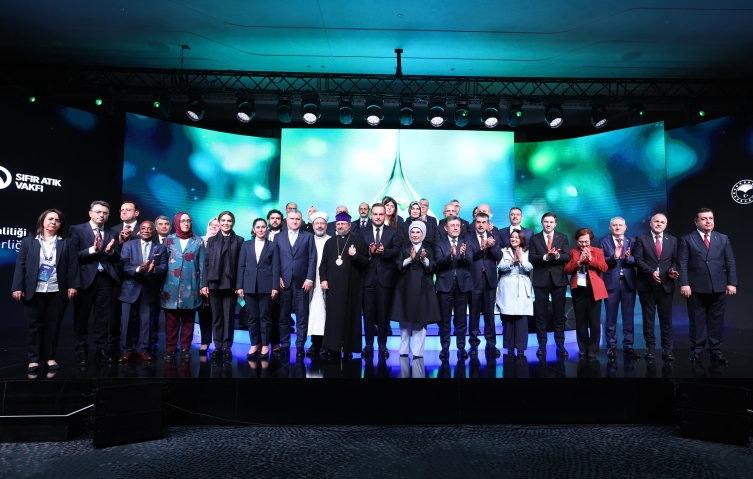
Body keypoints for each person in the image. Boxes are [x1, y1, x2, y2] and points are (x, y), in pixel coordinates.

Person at [12, 209, 81, 372]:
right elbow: (20, 265)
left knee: (53, 326)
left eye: (58, 220)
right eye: (50, 219)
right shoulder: (28, 241)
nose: (54, 222)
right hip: (33, 290)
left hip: (57, 290)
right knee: (34, 326)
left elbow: (73, 265)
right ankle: (34, 359)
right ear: (42, 221)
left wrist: (73, 285)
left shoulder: (67, 242)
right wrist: (17, 287)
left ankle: (50, 357)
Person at [678, 208, 737, 364]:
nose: (708, 221)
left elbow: (730, 262)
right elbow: (682, 263)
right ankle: (696, 350)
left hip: (719, 286)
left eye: (710, 218)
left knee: (716, 320)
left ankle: (715, 351)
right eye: (704, 219)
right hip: (696, 286)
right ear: (696, 222)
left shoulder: (722, 238)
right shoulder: (687, 239)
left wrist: (732, 283)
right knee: (696, 320)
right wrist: (684, 284)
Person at [69, 200, 120, 365]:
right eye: (98, 212)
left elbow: (117, 257)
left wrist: (110, 251)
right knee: (81, 317)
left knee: (103, 318)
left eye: (105, 213)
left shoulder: (112, 233)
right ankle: (81, 350)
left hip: (105, 279)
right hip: (85, 279)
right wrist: (93, 250)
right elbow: (73, 255)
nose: (101, 215)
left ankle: (101, 349)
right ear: (90, 213)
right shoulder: (77, 229)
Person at [320, 211, 369, 358]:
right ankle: (332, 347)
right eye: (338, 224)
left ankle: (348, 349)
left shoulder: (358, 241)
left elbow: (366, 262)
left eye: (343, 224)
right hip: (333, 287)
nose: (340, 226)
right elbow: (323, 264)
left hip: (352, 288)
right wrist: (323, 279)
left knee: (350, 317)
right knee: (333, 317)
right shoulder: (329, 242)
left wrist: (355, 255)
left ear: (349, 225)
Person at [117, 220, 167, 362]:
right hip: (130, 289)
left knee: (146, 322)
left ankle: (143, 350)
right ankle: (126, 351)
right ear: (139, 230)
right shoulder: (128, 245)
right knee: (127, 322)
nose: (146, 231)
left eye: (149, 229)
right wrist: (138, 269)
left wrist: (154, 269)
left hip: (149, 290)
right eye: (143, 228)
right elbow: (124, 265)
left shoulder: (160, 248)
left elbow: (164, 267)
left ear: (154, 231)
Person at [633, 213, 680, 360]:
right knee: (648, 319)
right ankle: (651, 348)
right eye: (656, 221)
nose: (659, 224)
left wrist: (672, 270)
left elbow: (675, 260)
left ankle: (667, 349)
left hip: (666, 284)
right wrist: (651, 271)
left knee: (666, 319)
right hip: (646, 285)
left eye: (662, 222)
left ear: (665, 225)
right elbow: (638, 260)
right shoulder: (641, 239)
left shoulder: (672, 240)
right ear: (651, 223)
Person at [390, 222, 440, 358]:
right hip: (404, 287)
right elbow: (397, 266)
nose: (415, 235)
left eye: (418, 232)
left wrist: (424, 260)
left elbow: (435, 267)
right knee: (404, 319)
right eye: (413, 232)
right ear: (409, 234)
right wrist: (409, 259)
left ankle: (418, 352)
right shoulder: (403, 248)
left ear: (423, 234)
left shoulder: (429, 249)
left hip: (424, 288)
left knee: (421, 319)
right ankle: (404, 350)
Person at [160, 212, 205, 360]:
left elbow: (202, 265)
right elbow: (163, 263)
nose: (186, 223)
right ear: (177, 223)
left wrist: (202, 285)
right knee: (171, 321)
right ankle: (170, 348)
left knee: (188, 320)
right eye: (183, 221)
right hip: (170, 286)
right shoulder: (169, 240)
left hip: (191, 286)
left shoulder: (198, 241)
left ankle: (186, 348)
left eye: (188, 221)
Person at [201, 212, 244, 361]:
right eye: (223, 220)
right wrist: (204, 284)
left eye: (229, 220)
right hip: (214, 283)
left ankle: (227, 347)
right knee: (217, 317)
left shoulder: (239, 240)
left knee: (229, 317)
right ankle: (218, 346)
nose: (226, 223)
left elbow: (241, 265)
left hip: (231, 284)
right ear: (219, 222)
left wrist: (239, 285)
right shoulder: (211, 240)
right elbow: (206, 263)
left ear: (233, 222)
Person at [528, 212, 571, 358]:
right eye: (546, 221)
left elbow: (567, 256)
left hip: (559, 280)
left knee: (559, 314)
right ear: (542, 223)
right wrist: (546, 256)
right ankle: (542, 345)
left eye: (551, 222)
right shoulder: (535, 238)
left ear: (555, 224)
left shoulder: (562, 237)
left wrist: (557, 256)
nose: (548, 224)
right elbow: (532, 258)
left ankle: (560, 345)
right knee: (541, 315)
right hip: (541, 280)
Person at [237, 218, 280, 359]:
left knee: (265, 317)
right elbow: (241, 266)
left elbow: (276, 268)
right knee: (252, 317)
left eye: (263, 227)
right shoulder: (246, 244)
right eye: (258, 227)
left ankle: (265, 345)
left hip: (267, 285)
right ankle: (254, 345)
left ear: (266, 229)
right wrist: (239, 286)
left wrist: (275, 287)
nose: (260, 229)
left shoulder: (273, 246)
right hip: (249, 285)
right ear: (253, 229)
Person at [360, 203, 399, 358]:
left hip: (386, 279)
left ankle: (382, 344)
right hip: (367, 279)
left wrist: (385, 252)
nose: (377, 217)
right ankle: (368, 344)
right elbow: (359, 254)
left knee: (384, 314)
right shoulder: (363, 232)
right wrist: (369, 253)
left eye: (380, 214)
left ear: (385, 215)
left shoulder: (393, 232)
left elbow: (397, 251)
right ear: (371, 215)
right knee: (368, 314)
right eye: (375, 214)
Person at [276, 209, 317, 358]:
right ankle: (285, 345)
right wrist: (277, 277)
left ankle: (300, 345)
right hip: (283, 282)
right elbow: (275, 260)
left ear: (301, 221)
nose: (294, 221)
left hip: (302, 282)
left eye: (297, 219)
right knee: (283, 316)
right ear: (286, 220)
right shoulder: (278, 237)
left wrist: (310, 278)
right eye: (292, 218)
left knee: (302, 316)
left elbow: (312, 258)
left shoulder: (308, 236)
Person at [598, 217, 639, 358]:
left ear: (625, 227)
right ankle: (611, 347)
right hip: (611, 283)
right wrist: (614, 258)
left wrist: (628, 258)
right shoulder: (603, 241)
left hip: (628, 283)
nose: (617, 227)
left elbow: (638, 260)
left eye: (620, 225)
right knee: (611, 317)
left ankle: (629, 346)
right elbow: (601, 262)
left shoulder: (632, 241)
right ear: (610, 227)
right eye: (614, 225)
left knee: (628, 317)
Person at [564, 228, 608, 359]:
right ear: (577, 241)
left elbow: (604, 268)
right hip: (578, 290)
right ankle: (583, 348)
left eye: (586, 242)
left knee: (594, 321)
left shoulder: (598, 251)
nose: (584, 244)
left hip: (594, 290)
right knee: (580, 321)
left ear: (591, 240)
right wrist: (579, 262)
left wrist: (590, 259)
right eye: (581, 242)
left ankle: (593, 348)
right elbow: (567, 270)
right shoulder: (573, 252)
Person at [434, 215, 472, 360]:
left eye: (457, 225)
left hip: (462, 285)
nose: (455, 228)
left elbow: (470, 261)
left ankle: (461, 347)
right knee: (445, 319)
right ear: (446, 228)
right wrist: (450, 256)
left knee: (461, 319)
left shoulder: (466, 242)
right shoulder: (439, 243)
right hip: (445, 285)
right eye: (452, 225)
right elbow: (438, 262)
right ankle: (445, 348)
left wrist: (463, 255)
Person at [466, 212, 502, 357]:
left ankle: (491, 344)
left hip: (490, 279)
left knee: (489, 315)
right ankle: (473, 345)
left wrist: (491, 247)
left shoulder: (494, 236)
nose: (481, 225)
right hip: (474, 279)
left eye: (484, 222)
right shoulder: (468, 237)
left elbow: (499, 256)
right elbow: (468, 258)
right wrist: (482, 248)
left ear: (488, 224)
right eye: (478, 222)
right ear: (475, 223)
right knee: (474, 314)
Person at [496, 230, 533, 357]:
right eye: (512, 237)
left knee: (521, 318)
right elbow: (500, 266)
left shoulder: (527, 251)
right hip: (507, 285)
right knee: (508, 318)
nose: (514, 239)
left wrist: (521, 260)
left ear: (522, 239)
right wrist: (512, 261)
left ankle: (521, 347)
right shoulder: (503, 251)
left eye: (517, 237)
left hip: (521, 285)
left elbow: (530, 267)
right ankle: (509, 346)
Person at [306, 212, 330, 356]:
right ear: (313, 225)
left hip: (327, 281)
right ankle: (315, 343)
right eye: (317, 223)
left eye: (322, 223)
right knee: (313, 312)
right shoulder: (308, 240)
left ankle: (327, 343)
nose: (319, 226)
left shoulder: (332, 240)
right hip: (310, 281)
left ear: (326, 225)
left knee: (327, 312)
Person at [196, 217, 219, 354]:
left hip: (218, 283)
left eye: (217, 226)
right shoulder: (199, 241)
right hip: (201, 283)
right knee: (204, 314)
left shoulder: (224, 241)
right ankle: (205, 342)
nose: (214, 228)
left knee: (218, 315)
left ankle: (219, 343)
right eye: (211, 225)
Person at [149, 215, 172, 351]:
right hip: (153, 283)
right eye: (161, 224)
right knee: (152, 315)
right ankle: (152, 342)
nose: (164, 226)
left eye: (167, 224)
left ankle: (171, 345)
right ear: (156, 227)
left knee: (171, 317)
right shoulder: (150, 240)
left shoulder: (176, 241)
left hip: (172, 284)